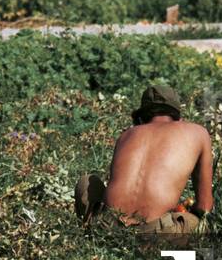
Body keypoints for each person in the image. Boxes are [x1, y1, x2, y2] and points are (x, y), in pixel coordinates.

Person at [74, 85, 213, 235]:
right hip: (156, 234)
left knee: (87, 181)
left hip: (108, 227)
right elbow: (205, 207)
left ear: (141, 118)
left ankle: (91, 229)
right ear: (179, 117)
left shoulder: (126, 135)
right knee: (197, 223)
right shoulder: (198, 132)